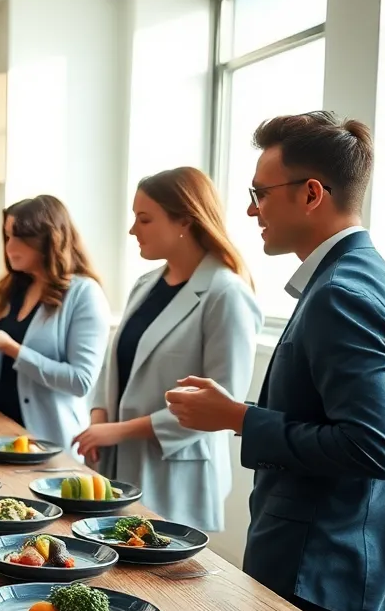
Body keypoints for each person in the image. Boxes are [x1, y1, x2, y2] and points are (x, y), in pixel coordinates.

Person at [166, 112, 385, 611]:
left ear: (311, 194)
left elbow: (374, 448)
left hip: (316, 563)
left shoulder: (342, 293)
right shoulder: (358, 277)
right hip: (324, 556)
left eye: (260, 192)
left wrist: (238, 418)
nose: (249, 208)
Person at [75, 167, 261, 533]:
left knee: (160, 581)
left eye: (144, 219)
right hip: (116, 463)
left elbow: (220, 405)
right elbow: (114, 365)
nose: (132, 230)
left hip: (176, 475)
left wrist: (119, 431)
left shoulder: (226, 294)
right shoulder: (145, 284)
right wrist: (100, 421)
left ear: (185, 222)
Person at [0, 196, 108, 456]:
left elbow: (81, 381)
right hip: (1, 436)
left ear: (48, 240)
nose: (9, 247)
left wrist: (13, 349)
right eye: (7, 237)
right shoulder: (8, 290)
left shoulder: (84, 293)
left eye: (19, 238)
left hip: (51, 443)